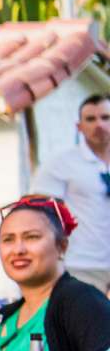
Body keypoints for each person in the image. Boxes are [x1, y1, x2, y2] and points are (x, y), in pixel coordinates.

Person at [0, 195, 110, 351]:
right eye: (8, 239)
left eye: (32, 237)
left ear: (62, 246)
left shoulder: (80, 300)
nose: (18, 249)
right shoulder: (6, 315)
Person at [33, 93, 110, 293]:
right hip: (81, 265)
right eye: (91, 119)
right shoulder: (60, 163)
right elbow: (37, 213)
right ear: (79, 126)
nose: (99, 125)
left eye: (105, 118)